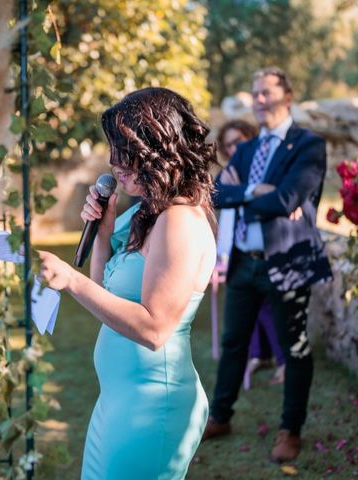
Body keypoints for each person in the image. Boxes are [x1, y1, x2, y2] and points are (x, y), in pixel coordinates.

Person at [38, 87, 217, 479]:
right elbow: (104, 291)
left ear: (158, 147)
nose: (113, 162)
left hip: (152, 407)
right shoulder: (151, 215)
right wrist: (102, 233)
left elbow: (155, 329)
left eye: (124, 149)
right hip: (118, 402)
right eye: (112, 150)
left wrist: (69, 279)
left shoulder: (180, 222)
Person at [203, 67, 332, 463]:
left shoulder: (307, 144)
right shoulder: (245, 149)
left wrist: (255, 196)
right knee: (233, 344)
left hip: (287, 262)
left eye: (266, 93)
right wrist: (254, 189)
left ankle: (290, 430)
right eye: (255, 93)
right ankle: (221, 416)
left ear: (287, 96)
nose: (259, 100)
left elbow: (287, 200)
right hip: (244, 263)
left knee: (294, 349)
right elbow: (215, 193)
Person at [217, 120, 286, 385]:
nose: (234, 149)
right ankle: (259, 353)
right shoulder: (230, 172)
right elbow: (218, 193)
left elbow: (271, 197)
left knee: (269, 309)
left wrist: (240, 191)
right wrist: (242, 191)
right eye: (228, 145)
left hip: (268, 250)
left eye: (239, 141)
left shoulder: (264, 168)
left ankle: (283, 361)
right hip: (238, 249)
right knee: (247, 312)